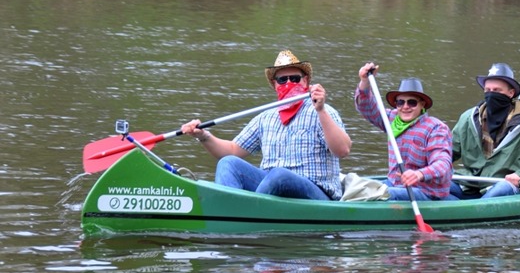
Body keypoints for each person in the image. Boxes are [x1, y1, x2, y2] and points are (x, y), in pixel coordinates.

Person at [181, 50, 352, 200]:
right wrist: (203, 136)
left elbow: (343, 150)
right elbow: (233, 149)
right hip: (270, 189)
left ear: (305, 81)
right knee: (228, 163)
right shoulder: (266, 117)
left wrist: (321, 110)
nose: (289, 83)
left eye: (294, 78)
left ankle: (246, 213)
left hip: (315, 192)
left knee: (280, 174)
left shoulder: (323, 111)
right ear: (274, 84)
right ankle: (230, 209)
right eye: (282, 80)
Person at [451, 63, 520, 199]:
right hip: (468, 184)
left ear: (511, 93)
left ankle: (472, 212)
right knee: (431, 185)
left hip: (504, 185)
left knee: (502, 188)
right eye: (487, 90)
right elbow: (447, 152)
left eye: (497, 90)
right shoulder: (467, 118)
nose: (491, 94)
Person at [354, 62, 454, 201]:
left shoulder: (436, 128)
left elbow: (443, 164)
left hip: (425, 192)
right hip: (394, 184)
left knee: (382, 195)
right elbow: (366, 107)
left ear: (422, 105)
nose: (405, 107)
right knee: (359, 188)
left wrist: (419, 174)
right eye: (400, 102)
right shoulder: (392, 119)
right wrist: (365, 81)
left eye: (412, 102)